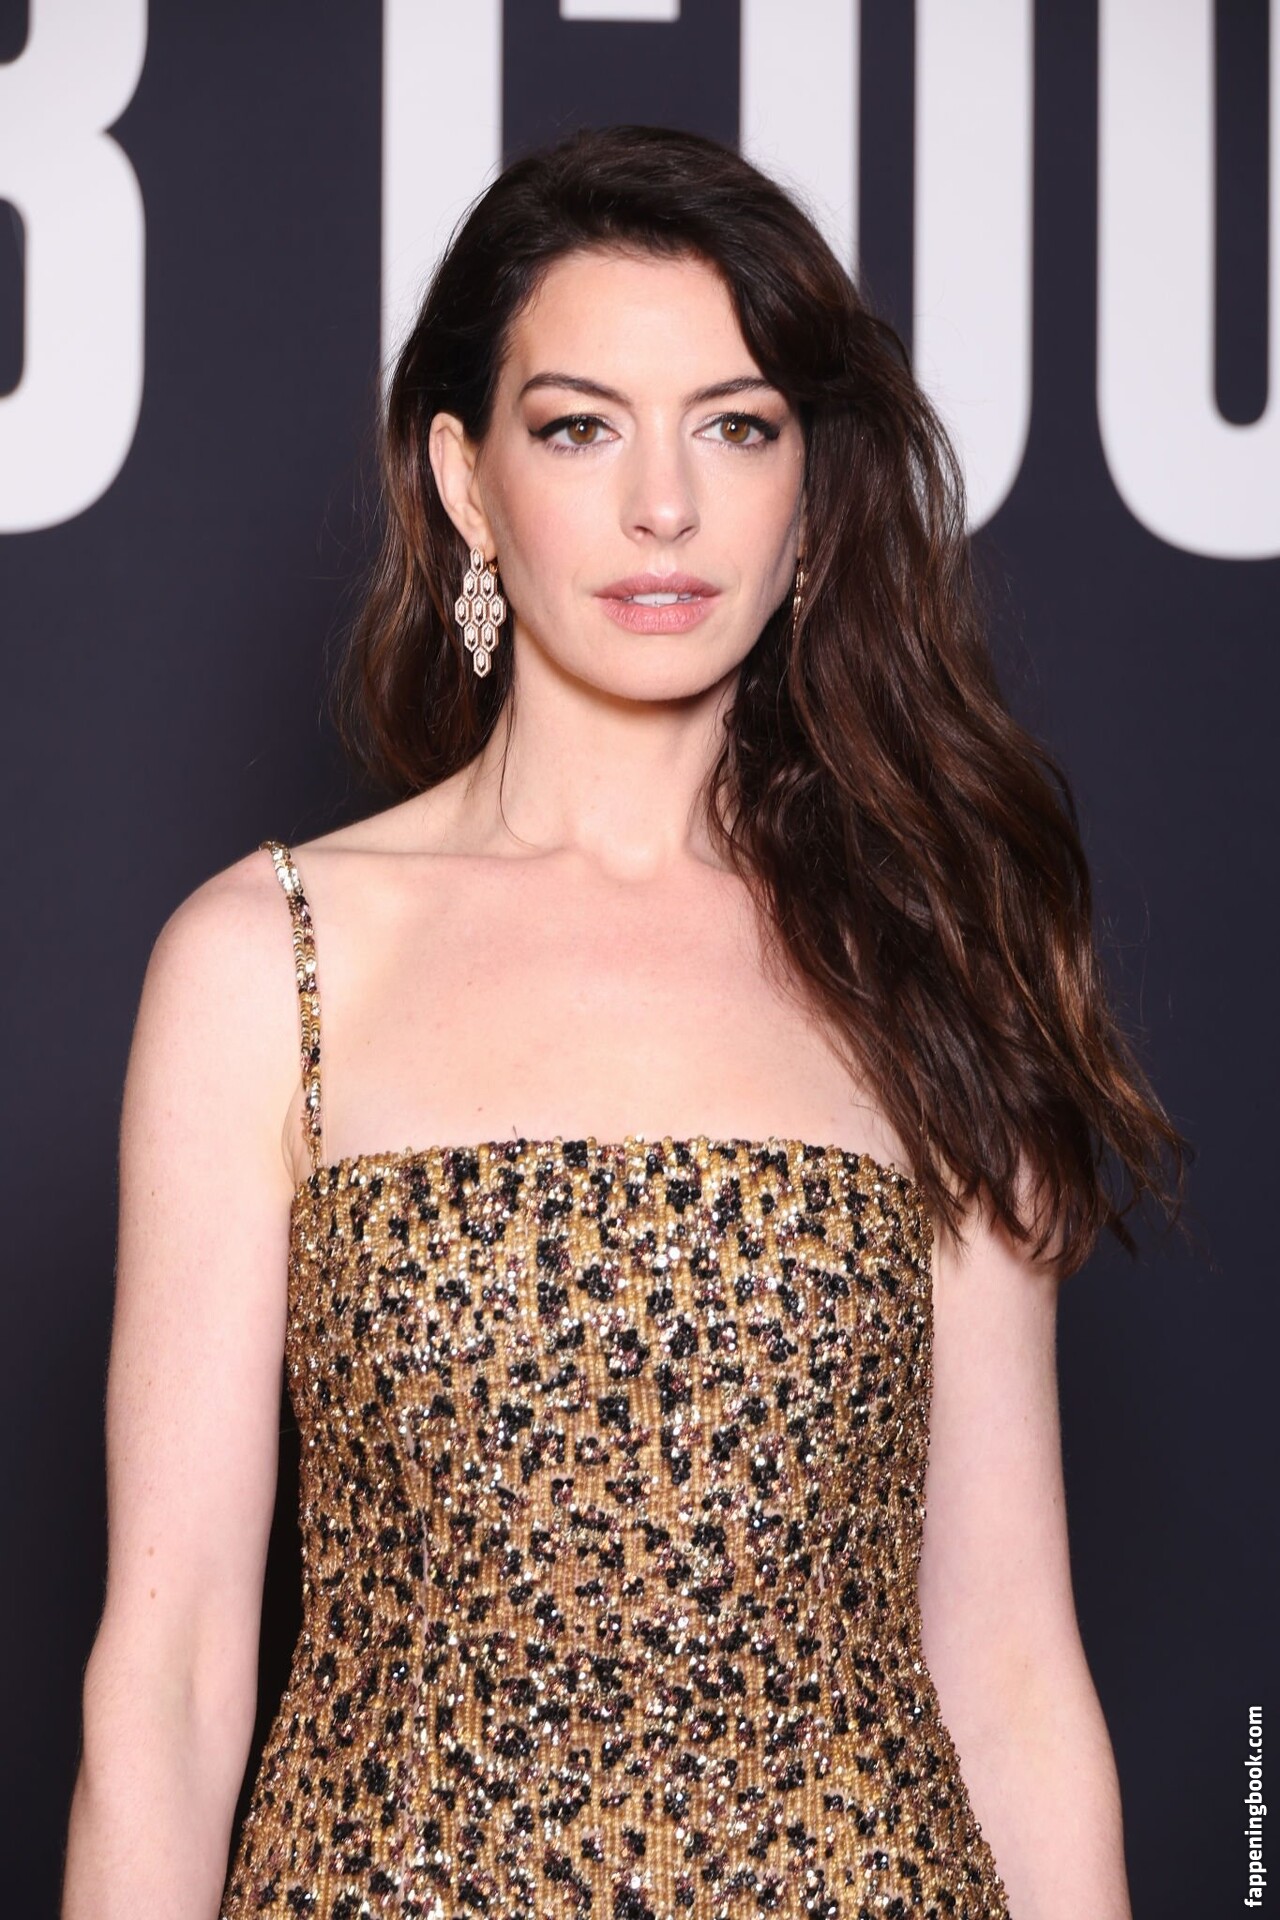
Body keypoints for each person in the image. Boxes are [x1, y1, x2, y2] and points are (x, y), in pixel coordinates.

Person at [62, 124, 1186, 1920]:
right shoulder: (266, 963)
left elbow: (1012, 1663)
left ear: (810, 487)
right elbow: (172, 1670)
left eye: (735, 428)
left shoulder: (930, 955)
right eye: (582, 428)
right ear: (466, 479)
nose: (665, 506)